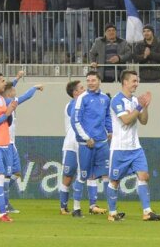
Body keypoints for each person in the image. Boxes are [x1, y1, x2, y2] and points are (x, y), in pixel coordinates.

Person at [0, 71, 38, 221]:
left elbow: (10, 115)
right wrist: (7, 113)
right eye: (3, 81)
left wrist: (9, 114)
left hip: (5, 144)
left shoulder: (3, 101)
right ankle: (3, 213)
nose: (5, 83)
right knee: (0, 177)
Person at [105, 70, 160, 222]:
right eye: (134, 81)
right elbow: (125, 120)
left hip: (135, 147)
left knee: (144, 176)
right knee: (114, 181)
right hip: (119, 148)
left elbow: (143, 121)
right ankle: (112, 213)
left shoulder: (136, 100)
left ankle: (147, 211)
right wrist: (139, 107)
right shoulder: (117, 100)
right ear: (125, 82)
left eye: (137, 81)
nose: (136, 84)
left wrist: (145, 107)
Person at [71, 70, 112, 216]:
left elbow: (107, 116)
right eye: (88, 80)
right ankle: (76, 208)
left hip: (102, 142)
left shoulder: (105, 99)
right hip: (86, 144)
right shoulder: (82, 98)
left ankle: (109, 209)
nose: (90, 83)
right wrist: (86, 137)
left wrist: (110, 130)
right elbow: (75, 120)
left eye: (93, 80)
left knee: (104, 174)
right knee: (83, 175)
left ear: (99, 81)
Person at [59, 80, 84, 216]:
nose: (84, 89)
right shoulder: (71, 105)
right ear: (75, 93)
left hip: (83, 144)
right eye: (81, 88)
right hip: (71, 145)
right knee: (68, 177)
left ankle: (89, 205)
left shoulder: (84, 103)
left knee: (86, 175)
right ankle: (63, 207)